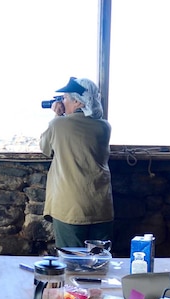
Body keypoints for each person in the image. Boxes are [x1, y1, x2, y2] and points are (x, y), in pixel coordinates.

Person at [41, 77, 113, 248]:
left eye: (65, 98)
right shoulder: (104, 126)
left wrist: (57, 115)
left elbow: (45, 148)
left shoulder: (59, 124)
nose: (62, 102)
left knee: (71, 262)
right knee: (99, 261)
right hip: (101, 205)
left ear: (78, 103)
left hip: (70, 207)